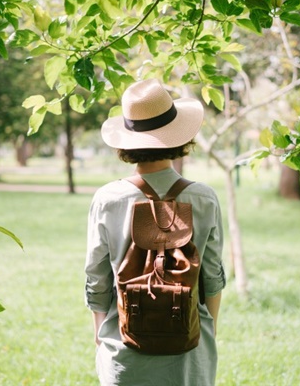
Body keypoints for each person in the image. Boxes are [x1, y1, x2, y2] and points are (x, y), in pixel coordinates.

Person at [85, 79, 226, 386]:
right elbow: (212, 278)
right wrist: (208, 329)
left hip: (123, 348)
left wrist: (101, 333)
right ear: (178, 137)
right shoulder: (204, 197)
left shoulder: (108, 199)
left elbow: (97, 278)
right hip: (190, 351)